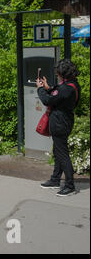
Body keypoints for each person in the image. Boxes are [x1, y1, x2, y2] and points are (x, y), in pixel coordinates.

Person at [37, 59, 81, 197]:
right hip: (65, 121)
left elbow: (48, 100)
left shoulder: (66, 88)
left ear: (63, 73)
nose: (56, 75)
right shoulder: (73, 84)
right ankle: (55, 180)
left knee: (62, 154)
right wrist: (48, 88)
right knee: (58, 151)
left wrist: (40, 89)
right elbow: (58, 95)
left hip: (60, 123)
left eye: (58, 73)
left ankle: (69, 186)